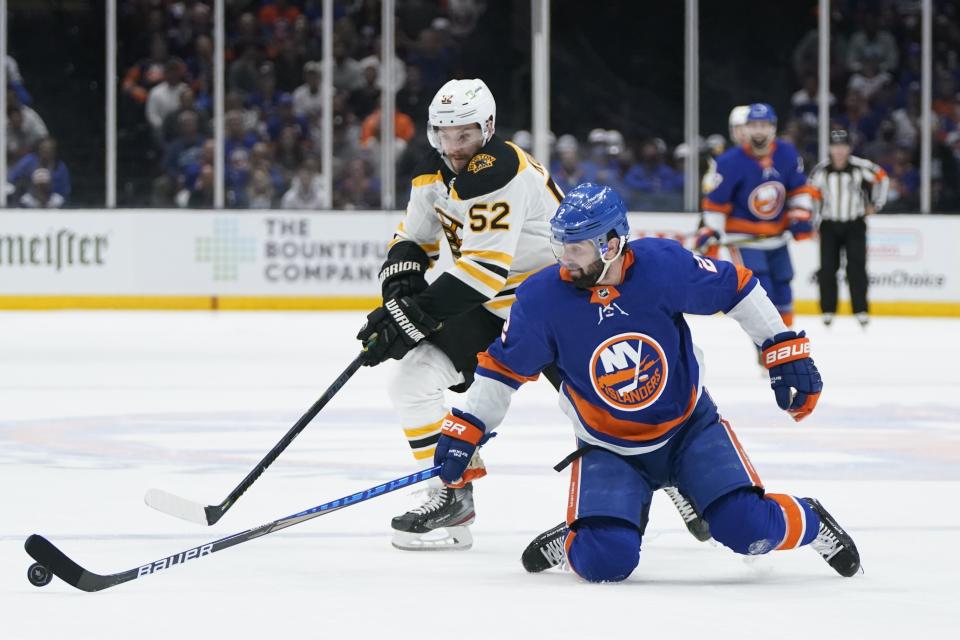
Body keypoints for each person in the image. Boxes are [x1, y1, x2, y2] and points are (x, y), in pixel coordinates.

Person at [432, 183, 861, 582]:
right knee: (604, 561)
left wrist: (782, 346)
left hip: (689, 429)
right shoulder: (541, 299)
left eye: (576, 249)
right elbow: (503, 370)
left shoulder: (662, 266)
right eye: (560, 247)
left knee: (748, 530)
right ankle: (575, 536)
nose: (564, 260)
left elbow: (738, 288)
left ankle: (812, 521)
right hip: (608, 446)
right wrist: (468, 426)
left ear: (612, 243)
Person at [354, 79, 709, 550]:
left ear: (489, 128)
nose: (453, 147)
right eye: (444, 134)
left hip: (557, 300)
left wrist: (408, 317)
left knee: (606, 406)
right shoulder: (431, 172)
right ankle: (451, 494)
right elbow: (415, 238)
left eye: (464, 135)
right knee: (412, 381)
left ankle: (679, 480)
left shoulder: (499, 172)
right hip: (491, 304)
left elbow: (482, 270)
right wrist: (398, 287)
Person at [695, 103, 817, 327]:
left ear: (773, 128)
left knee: (783, 288)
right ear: (746, 129)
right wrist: (711, 230)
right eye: (753, 125)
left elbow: (798, 189)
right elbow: (715, 204)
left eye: (764, 125)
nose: (759, 131)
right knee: (761, 293)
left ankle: (785, 343)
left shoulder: (787, 153)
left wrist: (800, 215)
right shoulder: (729, 162)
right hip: (743, 239)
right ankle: (766, 347)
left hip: (777, 238)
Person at [808, 130, 889, 328]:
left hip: (854, 224)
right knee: (827, 268)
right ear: (829, 148)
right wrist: (813, 223)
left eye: (843, 146)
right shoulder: (821, 170)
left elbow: (882, 177)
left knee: (857, 267)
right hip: (829, 224)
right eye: (835, 146)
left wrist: (876, 204)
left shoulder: (859, 166)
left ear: (849, 148)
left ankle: (860, 309)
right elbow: (811, 195)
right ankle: (828, 310)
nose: (839, 151)